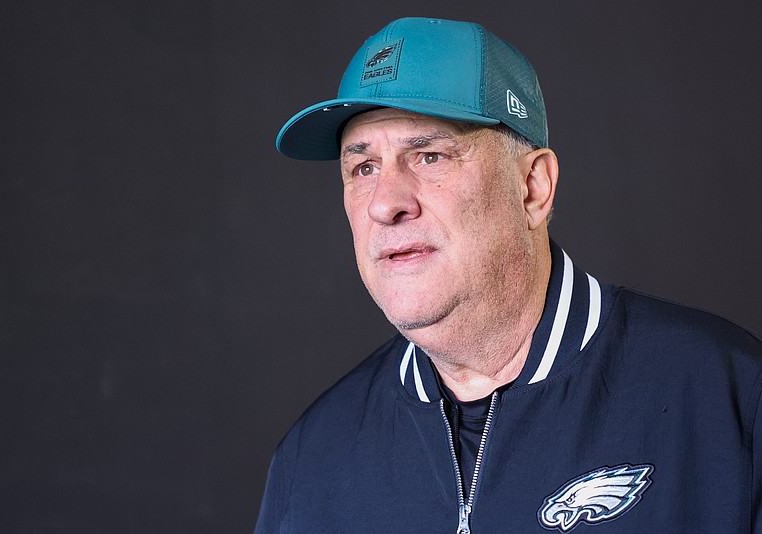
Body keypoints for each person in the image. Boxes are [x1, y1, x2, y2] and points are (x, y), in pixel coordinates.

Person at [256, 17, 762, 533]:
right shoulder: (311, 458)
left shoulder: (731, 398)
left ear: (533, 188)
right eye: (363, 168)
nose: (386, 204)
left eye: (429, 156)